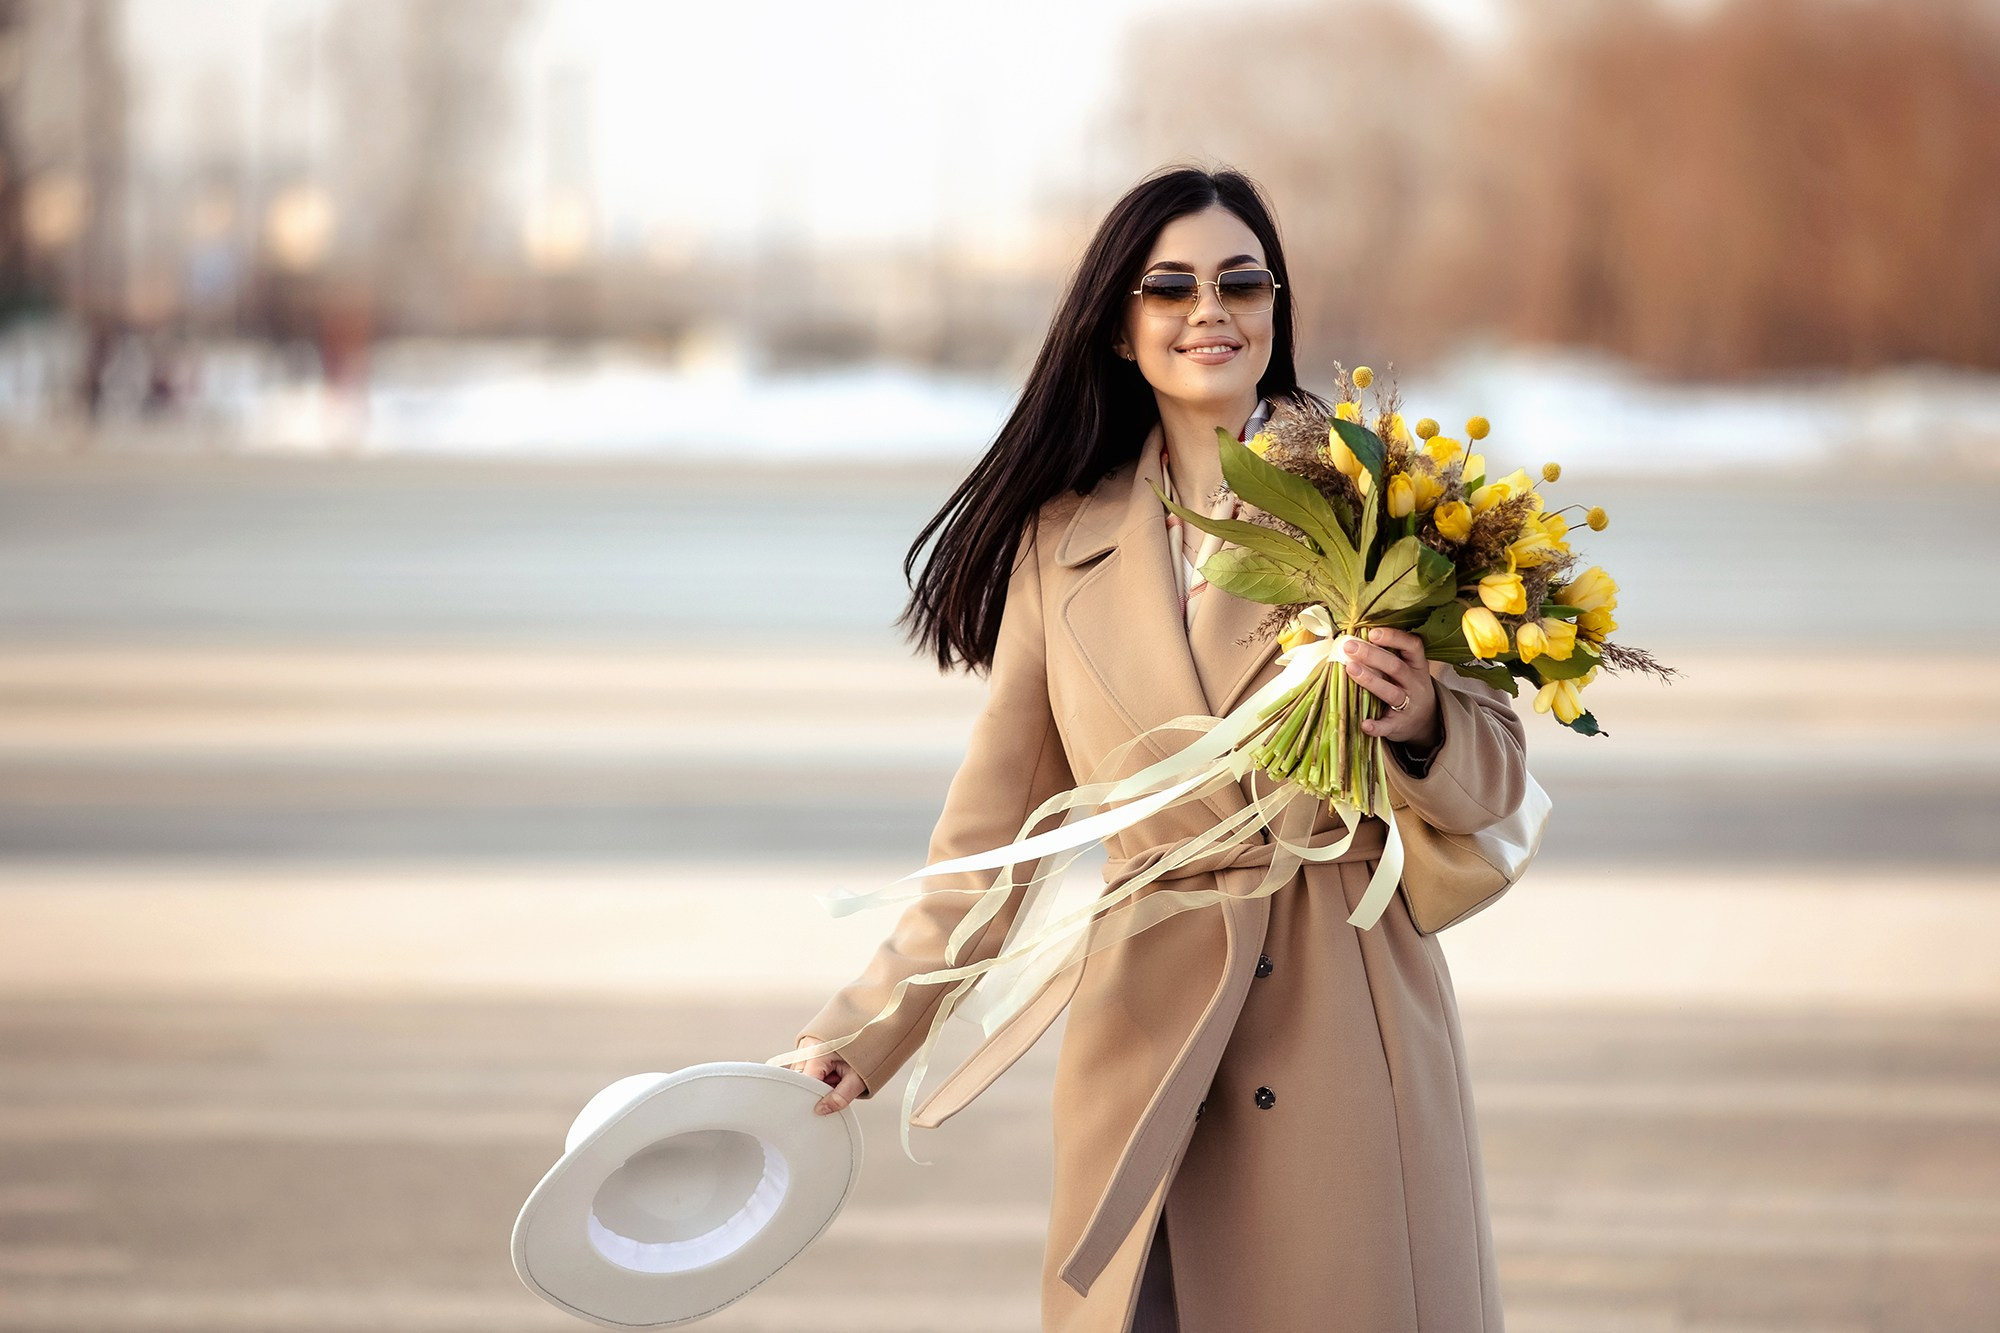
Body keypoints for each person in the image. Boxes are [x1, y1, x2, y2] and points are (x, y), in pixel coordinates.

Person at [783, 165, 1522, 1332]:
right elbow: (990, 842)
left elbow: (1494, 779)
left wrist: (1418, 716)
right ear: (1120, 329)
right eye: (1167, 288)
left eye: (1240, 282)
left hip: (1339, 1006)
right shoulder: (1058, 546)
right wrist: (860, 1033)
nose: (1207, 312)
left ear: (1276, 310)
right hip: (1147, 1027)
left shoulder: (1378, 496)